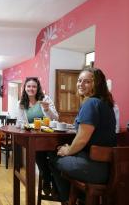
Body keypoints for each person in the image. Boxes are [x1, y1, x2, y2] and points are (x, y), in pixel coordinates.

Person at [49, 67, 117, 204]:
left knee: (53, 157)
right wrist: (70, 149)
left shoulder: (91, 103)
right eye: (79, 80)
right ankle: (79, 199)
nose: (81, 84)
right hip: (108, 168)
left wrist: (68, 150)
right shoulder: (106, 104)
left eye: (87, 82)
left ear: (96, 84)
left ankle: (67, 200)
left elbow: (81, 139)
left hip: (93, 167)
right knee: (62, 154)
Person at [16, 77, 59, 195]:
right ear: (25, 88)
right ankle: (47, 179)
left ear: (38, 88)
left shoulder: (45, 99)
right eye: (28, 86)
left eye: (34, 86)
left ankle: (53, 182)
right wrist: (25, 125)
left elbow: (56, 118)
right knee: (38, 153)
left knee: (53, 155)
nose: (31, 89)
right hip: (34, 137)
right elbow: (19, 123)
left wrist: (47, 109)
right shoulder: (21, 103)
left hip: (49, 136)